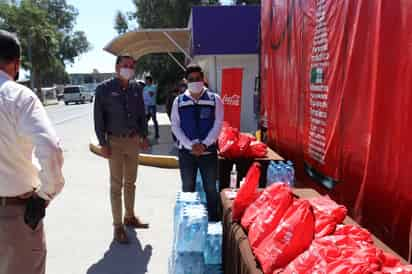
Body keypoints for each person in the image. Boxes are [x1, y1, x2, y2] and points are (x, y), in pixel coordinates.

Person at [0, 30, 65, 274]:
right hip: (14, 219)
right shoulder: (18, 96)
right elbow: (50, 147)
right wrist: (45, 195)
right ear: (16, 64)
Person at [94, 55, 150, 244]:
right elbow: (98, 119)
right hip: (114, 142)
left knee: (131, 183)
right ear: (117, 67)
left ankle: (130, 217)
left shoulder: (136, 88)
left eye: (132, 66)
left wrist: (143, 135)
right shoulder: (103, 89)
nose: (129, 68)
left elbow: (142, 114)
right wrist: (103, 143)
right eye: (125, 65)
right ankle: (118, 226)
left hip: (133, 142)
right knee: (116, 185)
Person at [171, 65, 224, 221]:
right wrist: (190, 145)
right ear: (186, 81)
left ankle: (214, 221)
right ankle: (189, 224)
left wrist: (205, 144)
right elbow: (175, 125)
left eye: (198, 78)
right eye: (191, 79)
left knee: (210, 189)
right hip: (186, 154)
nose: (195, 82)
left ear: (203, 78)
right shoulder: (179, 101)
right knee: (188, 189)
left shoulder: (215, 100)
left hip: (208, 153)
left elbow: (218, 124)